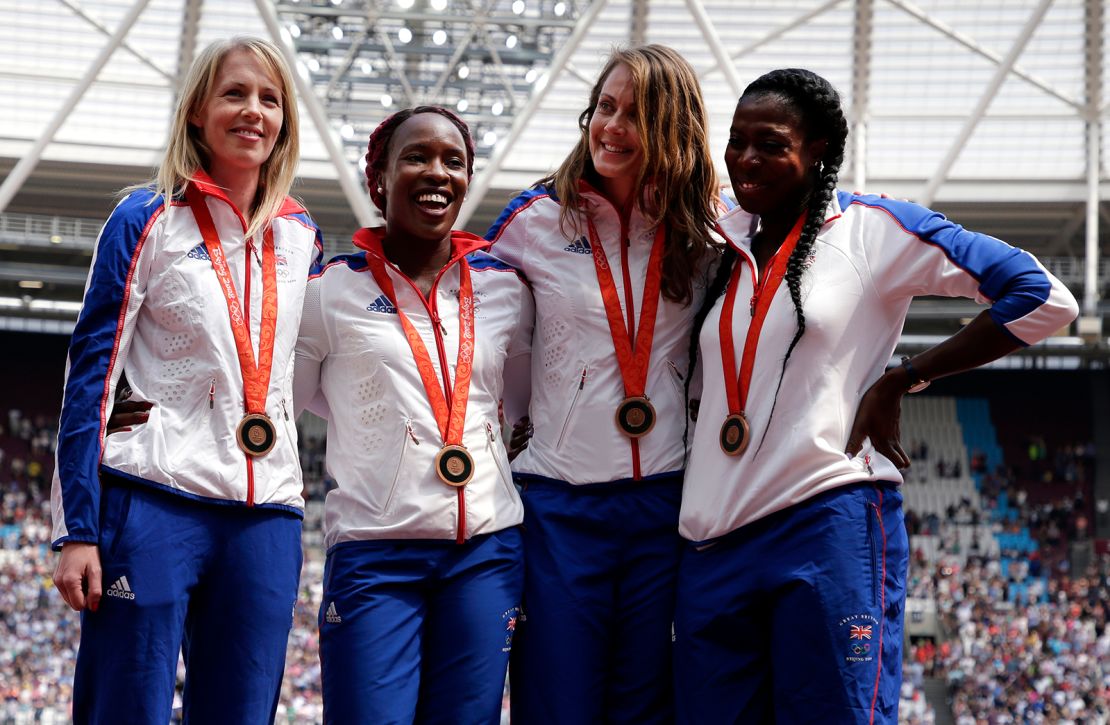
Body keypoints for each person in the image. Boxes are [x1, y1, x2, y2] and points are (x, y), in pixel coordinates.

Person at [672, 68, 1079, 724]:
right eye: (737, 140)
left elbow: (1042, 297)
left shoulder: (875, 228)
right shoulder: (716, 232)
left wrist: (905, 376)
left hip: (825, 524)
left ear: (820, 151)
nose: (746, 158)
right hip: (711, 544)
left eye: (772, 143)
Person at [50, 36, 322, 723]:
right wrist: (75, 528)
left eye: (269, 98)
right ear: (197, 111)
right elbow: (91, 378)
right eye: (234, 93)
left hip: (267, 516)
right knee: (126, 707)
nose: (253, 110)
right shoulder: (143, 219)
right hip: (154, 500)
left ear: (286, 119)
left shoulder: (302, 235)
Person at [484, 44, 720, 723]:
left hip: (666, 505)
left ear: (672, 129)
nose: (611, 127)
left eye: (635, 115)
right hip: (561, 506)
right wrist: (513, 418)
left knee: (645, 704)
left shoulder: (705, 228)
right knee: (557, 701)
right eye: (604, 108)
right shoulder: (533, 219)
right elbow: (469, 328)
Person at [293, 106, 533, 723]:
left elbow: (522, 402)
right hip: (376, 556)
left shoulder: (506, 289)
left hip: (485, 552)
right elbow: (291, 403)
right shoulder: (328, 293)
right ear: (379, 178)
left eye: (454, 161)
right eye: (416, 157)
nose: (437, 172)